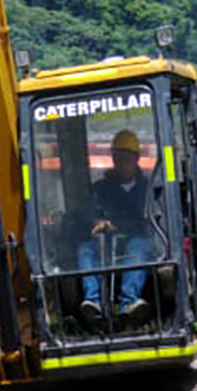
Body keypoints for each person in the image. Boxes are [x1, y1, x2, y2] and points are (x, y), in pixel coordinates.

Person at [77, 129, 154, 327]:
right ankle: (93, 302)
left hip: (136, 242)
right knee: (85, 249)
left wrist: (119, 226)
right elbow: (85, 210)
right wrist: (96, 222)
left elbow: (150, 221)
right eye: (118, 158)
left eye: (126, 159)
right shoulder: (100, 188)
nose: (121, 164)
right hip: (105, 244)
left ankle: (129, 302)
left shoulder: (148, 189)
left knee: (137, 247)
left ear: (136, 159)